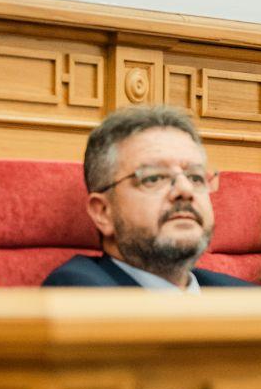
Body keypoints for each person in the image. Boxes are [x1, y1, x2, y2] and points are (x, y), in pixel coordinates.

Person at [42, 106, 249, 289]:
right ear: (103, 212)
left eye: (195, 177)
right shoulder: (82, 292)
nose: (185, 190)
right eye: (154, 178)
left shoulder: (248, 298)